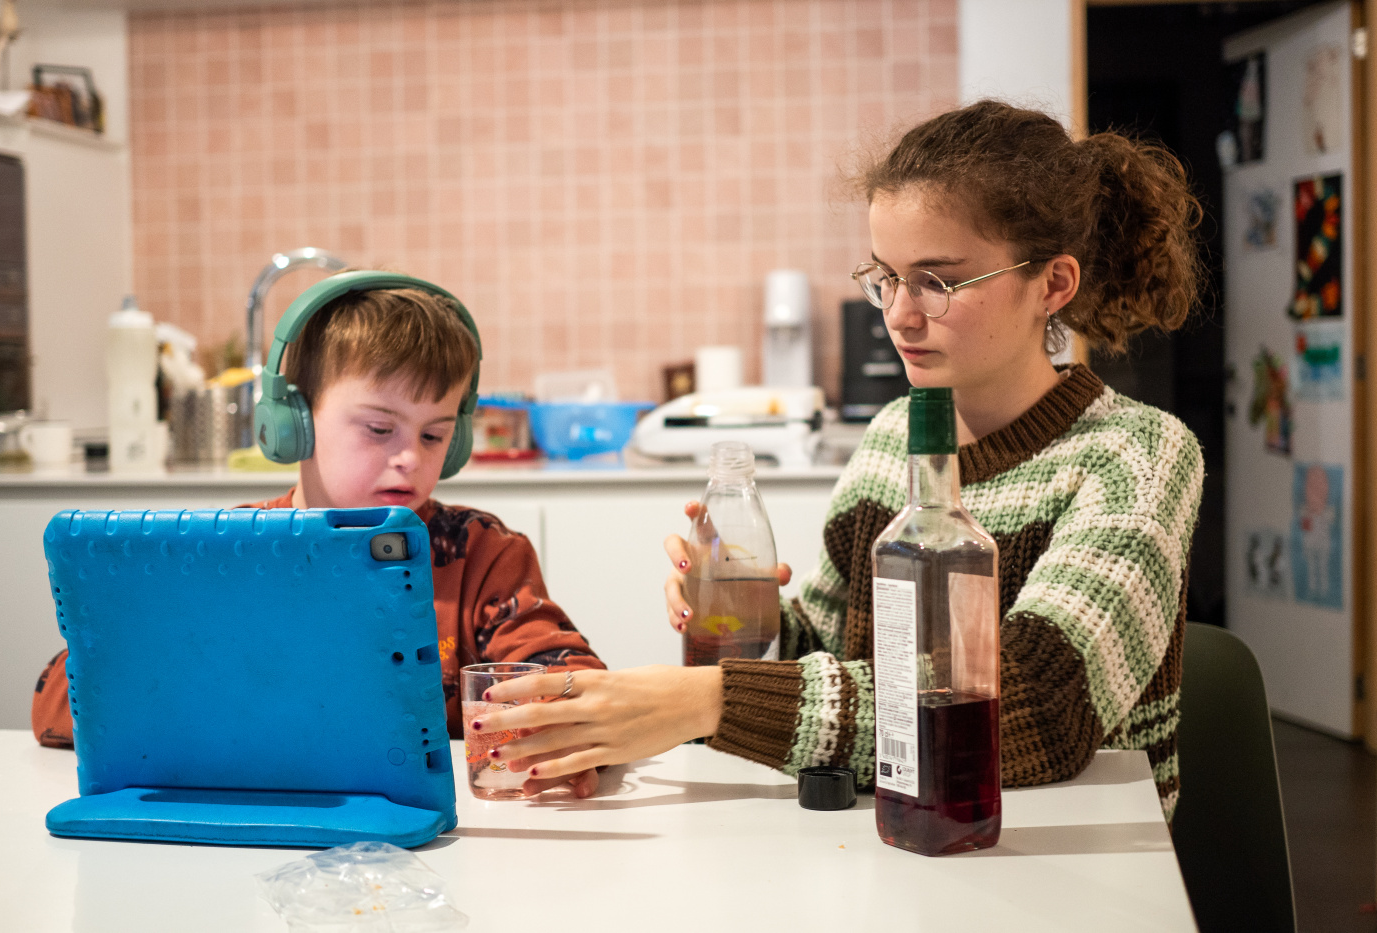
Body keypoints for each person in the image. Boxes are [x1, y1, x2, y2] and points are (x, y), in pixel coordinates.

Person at [474, 100, 1205, 819]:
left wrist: (712, 700)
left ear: (1052, 283)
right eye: (886, 275)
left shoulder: (1137, 457)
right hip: (904, 834)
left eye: (939, 281)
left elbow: (1037, 709)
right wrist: (742, 616)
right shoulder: (893, 438)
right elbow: (829, 652)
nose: (899, 314)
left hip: (1070, 853)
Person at [31, 278, 607, 797]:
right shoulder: (230, 551)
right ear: (294, 423)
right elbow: (57, 703)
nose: (409, 458)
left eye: (435, 435)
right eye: (379, 428)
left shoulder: (483, 554)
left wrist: (562, 729)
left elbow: (572, 680)